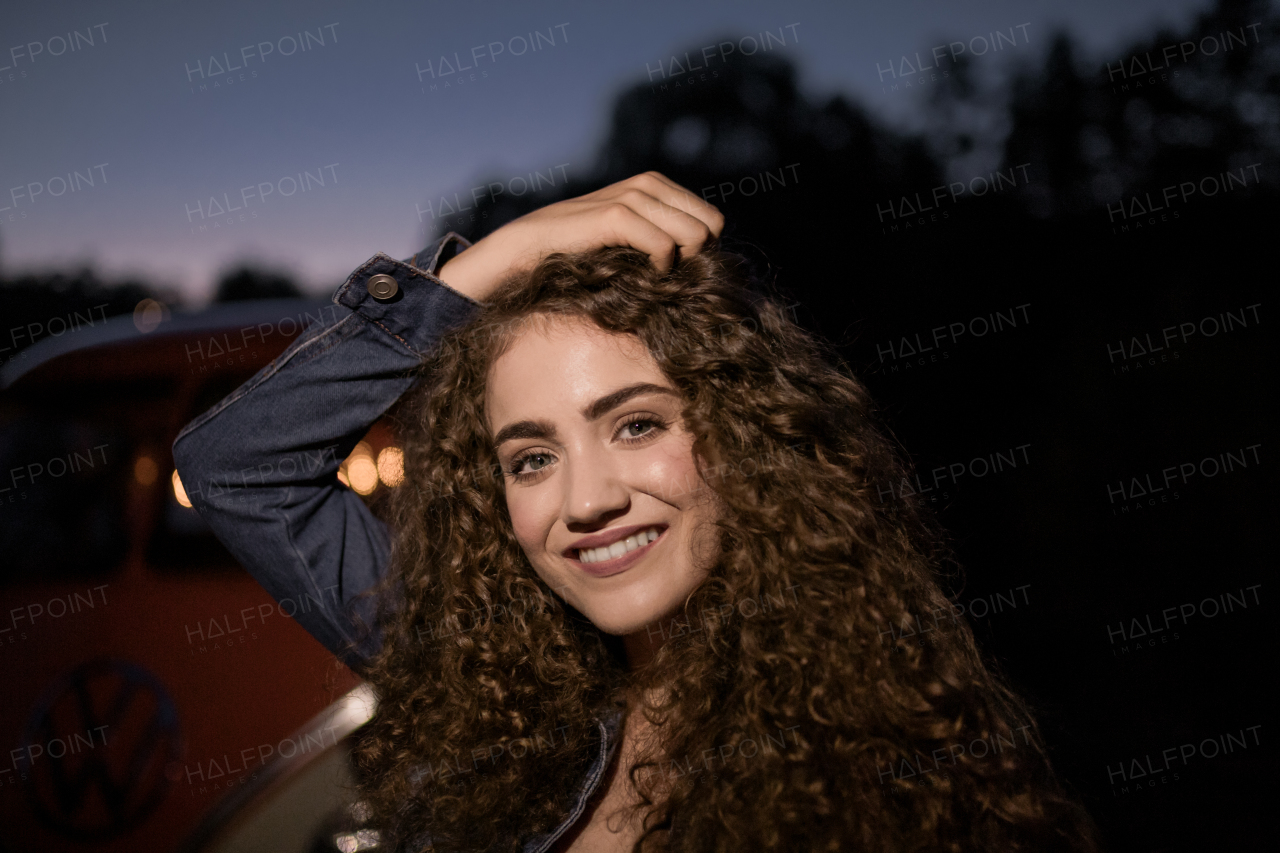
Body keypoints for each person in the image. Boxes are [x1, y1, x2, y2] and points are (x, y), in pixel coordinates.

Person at [173, 172, 1098, 852]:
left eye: (636, 424)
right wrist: (497, 258)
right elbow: (238, 464)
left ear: (745, 434)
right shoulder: (484, 684)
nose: (587, 501)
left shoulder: (904, 783)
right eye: (532, 457)